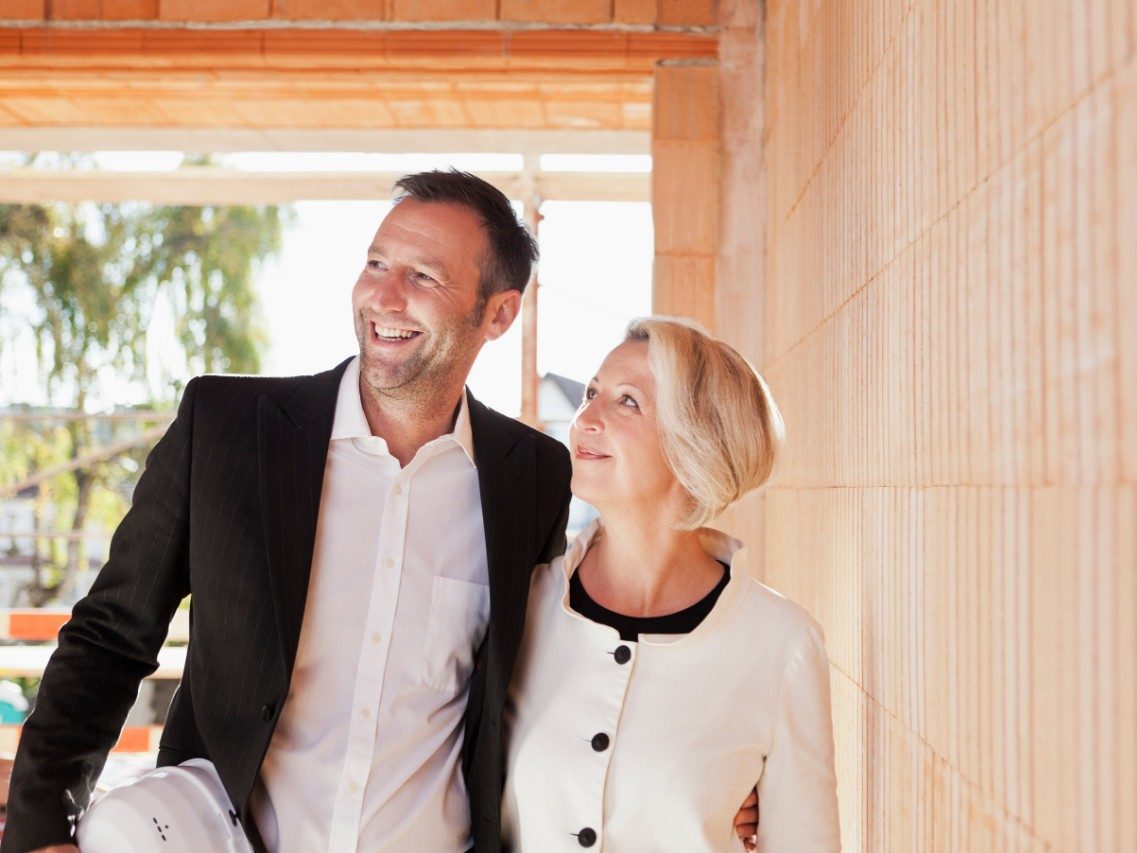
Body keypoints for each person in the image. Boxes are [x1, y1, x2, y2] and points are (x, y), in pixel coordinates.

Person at [1, 170, 575, 853]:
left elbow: (534, 686)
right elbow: (110, 637)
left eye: (423, 275)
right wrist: (41, 831)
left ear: (498, 314)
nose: (383, 295)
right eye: (375, 264)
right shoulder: (227, 427)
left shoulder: (533, 476)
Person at [502, 317, 841, 851]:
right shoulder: (521, 602)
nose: (585, 418)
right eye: (591, 393)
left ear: (694, 446)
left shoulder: (783, 646)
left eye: (627, 402)